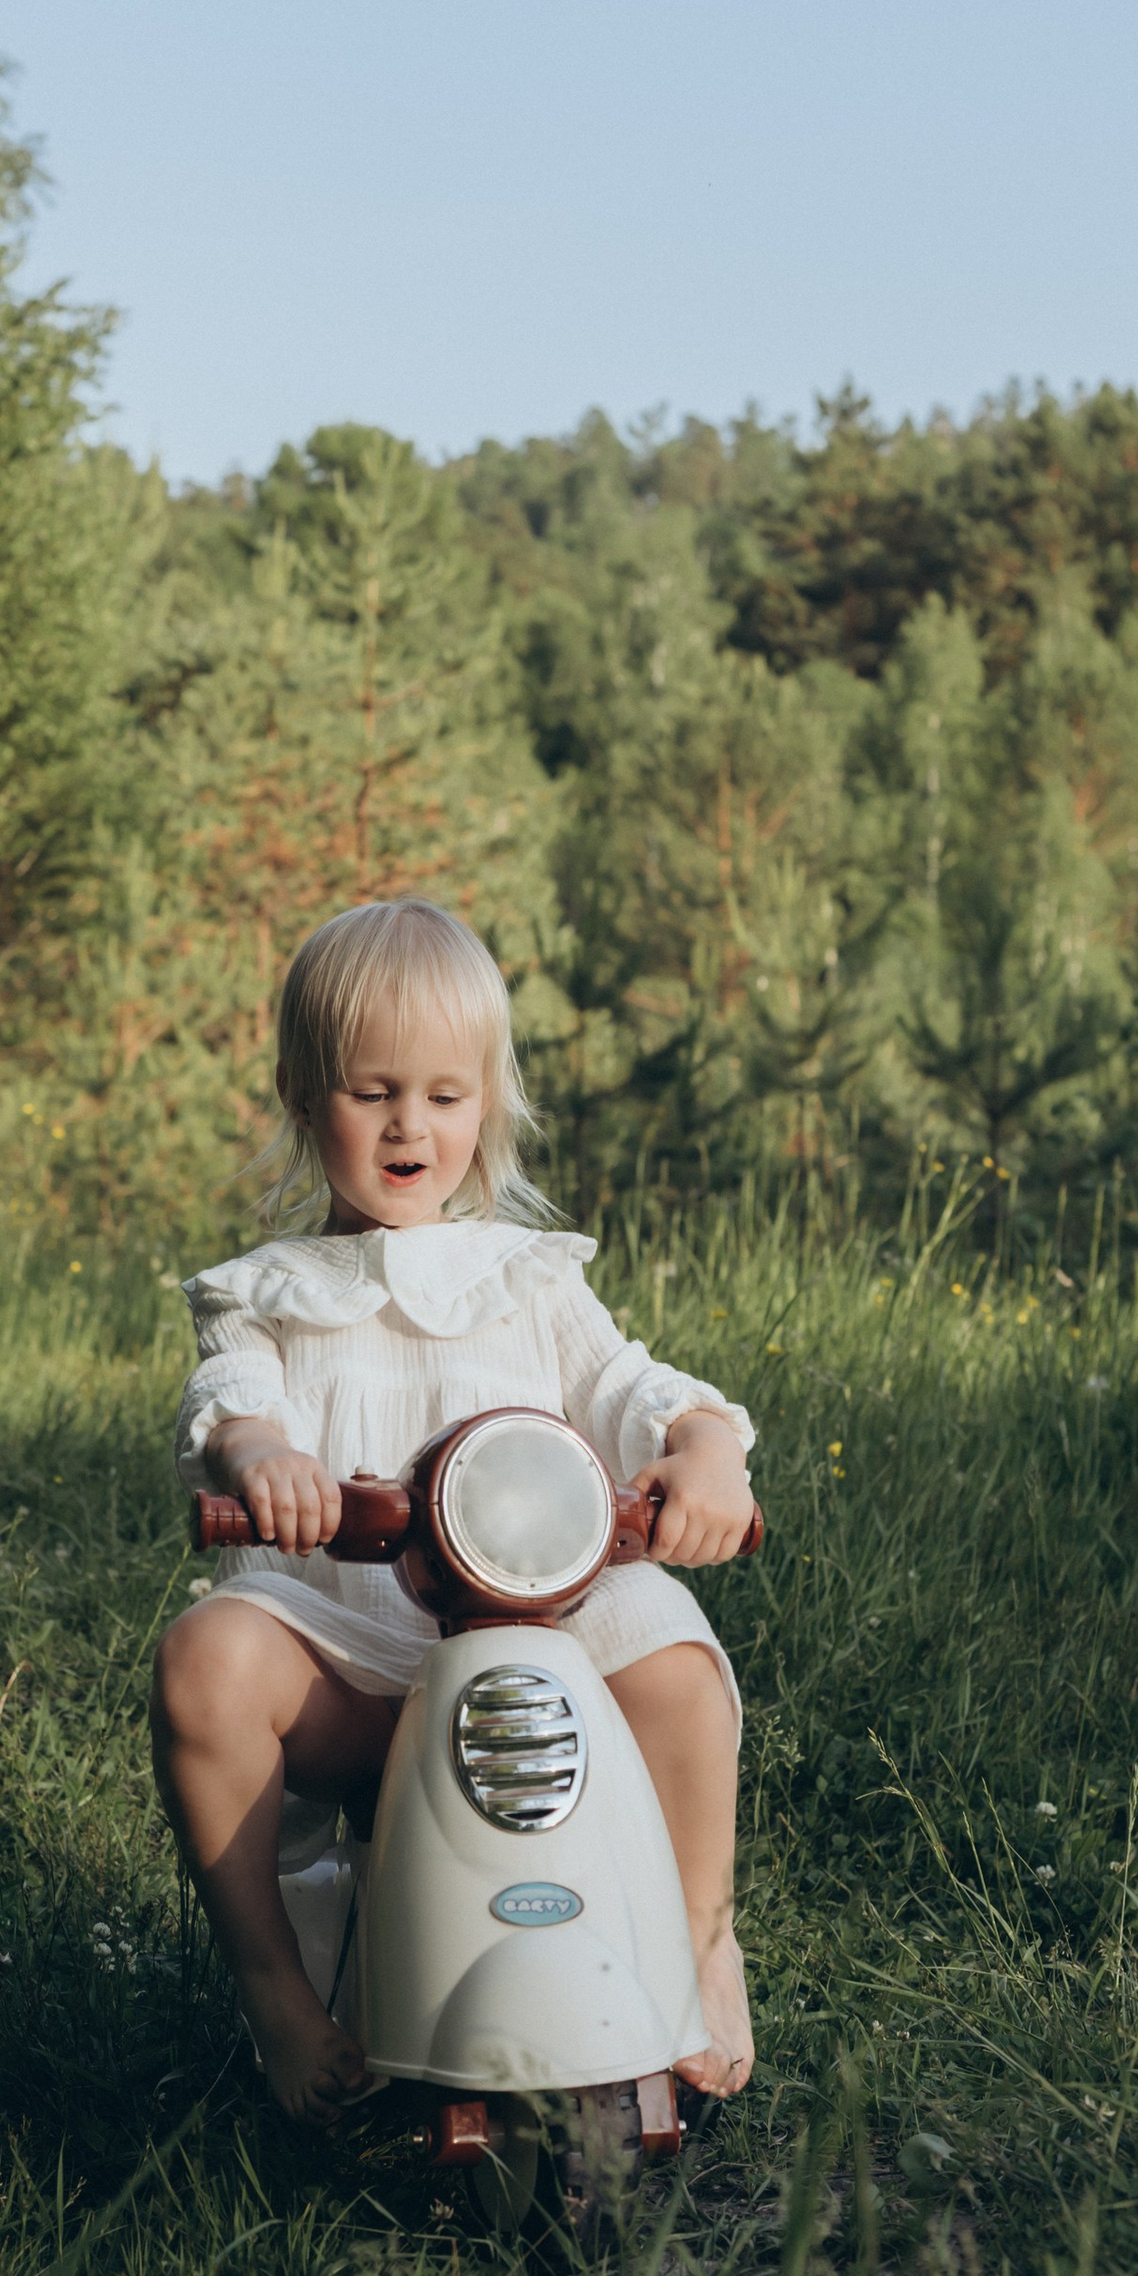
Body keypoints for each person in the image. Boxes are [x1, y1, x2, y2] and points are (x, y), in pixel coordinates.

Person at [151, 895, 757, 2125]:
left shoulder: (526, 1281)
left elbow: (628, 1387)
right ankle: (276, 1990)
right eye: (372, 1091)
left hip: (541, 1647)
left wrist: (702, 1451)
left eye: (442, 1093)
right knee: (204, 1665)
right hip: (354, 1665)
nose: (408, 1125)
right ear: (302, 1091)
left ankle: (700, 1942)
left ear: (486, 1101)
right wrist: (261, 1457)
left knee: (677, 1650)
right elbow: (231, 1402)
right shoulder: (264, 1295)